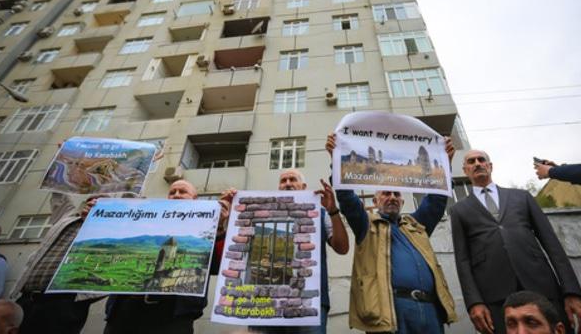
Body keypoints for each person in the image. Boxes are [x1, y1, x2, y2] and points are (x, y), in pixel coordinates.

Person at [329, 133, 457, 334]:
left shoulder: (416, 225)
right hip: (391, 312)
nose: (392, 197)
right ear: (375, 201)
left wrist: (445, 164)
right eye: (385, 194)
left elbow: (436, 200)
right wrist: (336, 160)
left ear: (403, 202)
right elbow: (346, 198)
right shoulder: (366, 225)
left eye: (396, 194)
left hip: (430, 311)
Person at [450, 150, 581, 334]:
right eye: (471, 161)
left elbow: (552, 244)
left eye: (482, 160)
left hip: (543, 287)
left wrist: (571, 291)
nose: (477, 163)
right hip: (495, 297)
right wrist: (474, 303)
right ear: (465, 170)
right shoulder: (458, 210)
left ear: (490, 166)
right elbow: (462, 261)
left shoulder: (522, 197)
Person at [221, 169, 350, 334]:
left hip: (308, 304)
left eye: (292, 179)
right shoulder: (259, 214)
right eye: (283, 181)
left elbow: (342, 248)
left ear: (303, 187)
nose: (288, 183)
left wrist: (333, 210)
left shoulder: (321, 212)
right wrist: (233, 210)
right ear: (279, 187)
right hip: (265, 304)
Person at [104, 179, 228, 334]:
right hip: (124, 312)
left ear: (195, 200)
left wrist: (220, 228)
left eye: (182, 192)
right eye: (172, 192)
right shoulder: (145, 222)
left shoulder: (206, 230)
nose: (176, 195)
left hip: (173, 318)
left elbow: (217, 265)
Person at [9, 192, 107, 334]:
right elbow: (59, 194)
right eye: (91, 201)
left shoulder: (107, 231)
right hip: (27, 298)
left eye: (100, 203)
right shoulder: (66, 218)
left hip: (64, 305)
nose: (93, 204)